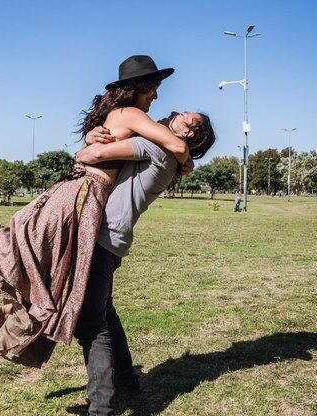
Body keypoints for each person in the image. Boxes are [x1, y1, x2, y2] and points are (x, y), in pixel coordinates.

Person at [0, 55, 195, 369]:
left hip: (77, 190)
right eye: (153, 88)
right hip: (83, 195)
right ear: (137, 86)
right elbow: (174, 146)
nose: (157, 96)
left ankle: (5, 309)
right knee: (30, 250)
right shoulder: (131, 113)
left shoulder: (114, 115)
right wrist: (186, 160)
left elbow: (94, 150)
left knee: (47, 263)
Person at [73, 112, 215, 414]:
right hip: (114, 239)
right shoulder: (170, 155)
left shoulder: (157, 147)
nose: (177, 113)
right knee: (104, 312)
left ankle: (102, 409)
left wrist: (82, 150)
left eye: (186, 118)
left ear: (189, 135)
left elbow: (94, 154)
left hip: (102, 237)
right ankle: (126, 379)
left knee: (91, 325)